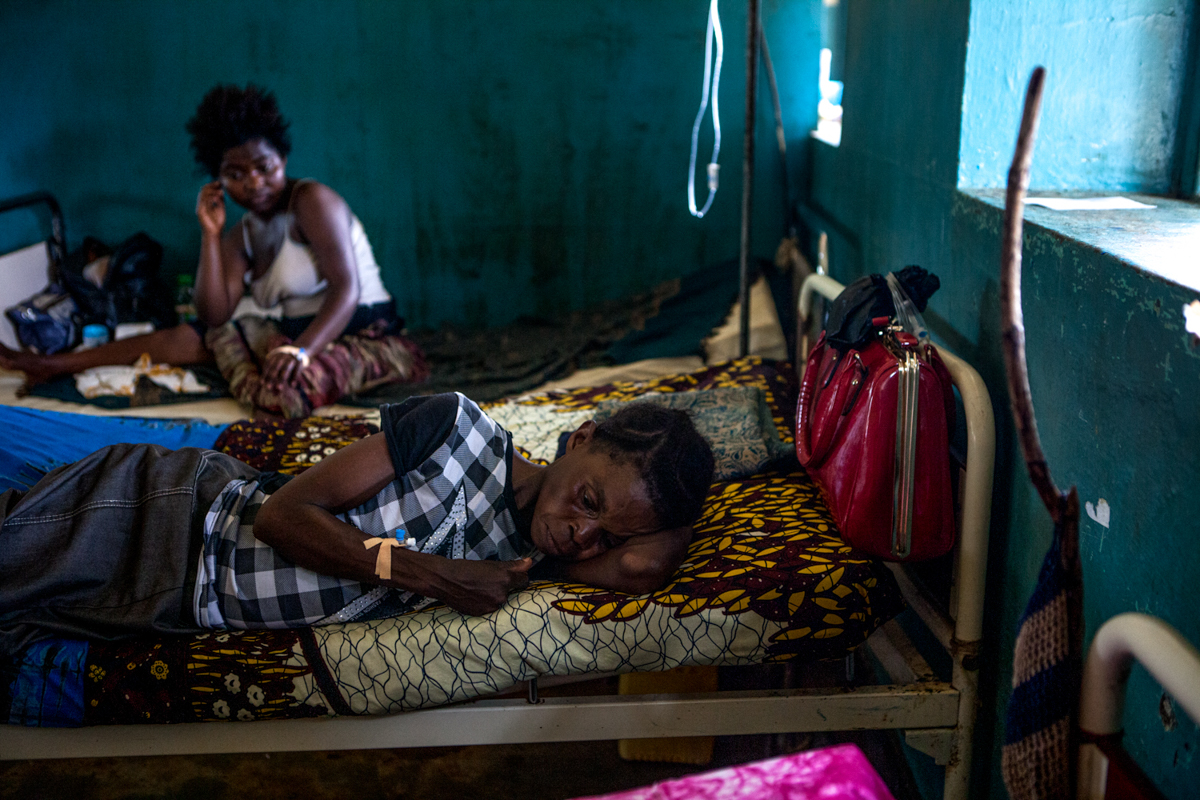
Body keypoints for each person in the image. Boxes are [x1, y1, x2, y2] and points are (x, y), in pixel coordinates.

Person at [0, 395, 715, 655]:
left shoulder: (533, 561)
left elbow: (641, 568)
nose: (583, 535)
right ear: (579, 437)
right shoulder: (456, 430)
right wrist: (430, 573)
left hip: (176, 603)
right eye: (589, 502)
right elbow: (282, 515)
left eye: (609, 534)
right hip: (171, 517)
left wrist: (691, 501)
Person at [0, 84, 425, 417]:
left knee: (286, 387)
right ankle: (54, 365)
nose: (253, 183)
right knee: (206, 334)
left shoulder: (312, 201)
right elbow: (214, 315)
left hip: (361, 331)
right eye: (236, 174)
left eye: (264, 168)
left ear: (284, 158)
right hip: (289, 333)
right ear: (218, 178)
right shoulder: (240, 232)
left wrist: (300, 351)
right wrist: (210, 234)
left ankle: (266, 381)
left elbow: (346, 291)